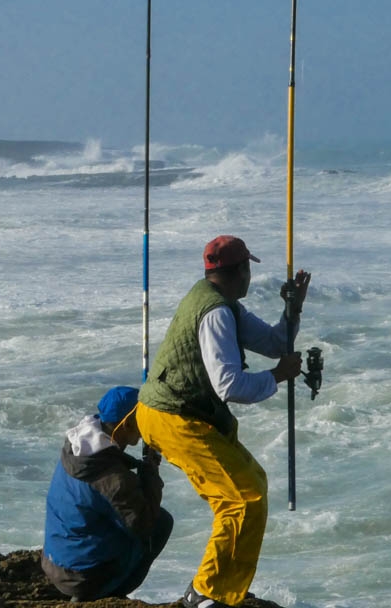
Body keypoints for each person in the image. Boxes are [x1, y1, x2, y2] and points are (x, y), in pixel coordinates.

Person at [136, 235, 311, 608]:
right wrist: (278, 377)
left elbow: (275, 341)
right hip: (174, 417)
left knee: (252, 485)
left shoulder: (220, 303)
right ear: (242, 272)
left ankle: (214, 587)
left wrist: (291, 310)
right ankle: (208, 593)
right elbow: (229, 385)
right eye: (249, 269)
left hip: (175, 413)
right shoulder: (216, 314)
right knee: (242, 498)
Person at [42, 386, 174, 602]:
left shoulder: (77, 449)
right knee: (161, 523)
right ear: (127, 424)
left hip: (53, 561)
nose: (147, 425)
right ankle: (107, 594)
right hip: (80, 577)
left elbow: (109, 486)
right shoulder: (113, 480)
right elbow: (144, 524)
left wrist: (139, 468)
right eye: (144, 419)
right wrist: (150, 473)